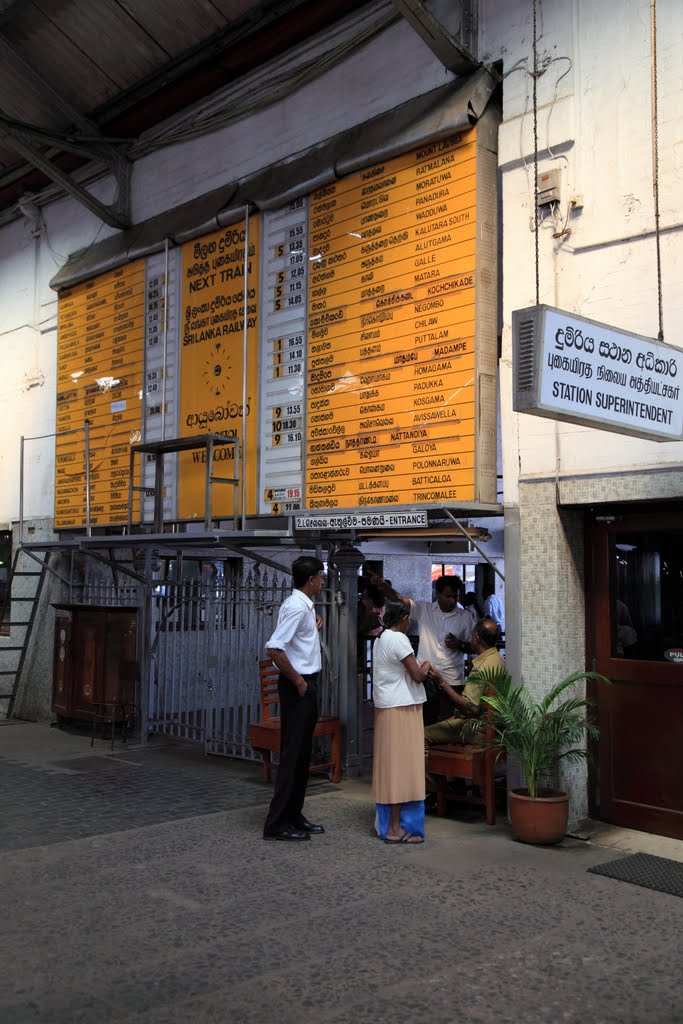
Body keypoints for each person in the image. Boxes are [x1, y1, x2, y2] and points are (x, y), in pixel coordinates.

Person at [262, 555, 326, 842]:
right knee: (292, 755)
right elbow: (275, 648)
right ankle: (276, 823)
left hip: (305, 683)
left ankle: (293, 814)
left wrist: (313, 627)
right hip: (298, 686)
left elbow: (296, 641)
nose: (323, 582)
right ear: (311, 580)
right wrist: (299, 682)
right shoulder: (296, 608)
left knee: (302, 755)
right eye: (321, 577)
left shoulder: (303, 607)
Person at [371, 598, 445, 844]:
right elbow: (416, 675)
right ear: (403, 619)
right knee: (402, 769)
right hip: (401, 708)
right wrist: (425, 668)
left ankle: (388, 825)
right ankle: (395, 828)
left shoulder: (380, 639)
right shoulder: (399, 639)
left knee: (390, 767)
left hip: (388, 707)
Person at [423, 618, 504, 789]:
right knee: (446, 723)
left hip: (476, 730)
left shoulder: (481, 667)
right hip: (495, 728)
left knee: (421, 736)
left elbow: (468, 707)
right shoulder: (498, 659)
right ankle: (453, 784)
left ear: (476, 638)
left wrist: (441, 681)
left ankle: (436, 791)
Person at [406, 575, 474, 690]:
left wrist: (459, 644)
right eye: (448, 596)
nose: (452, 601)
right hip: (426, 677)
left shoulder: (465, 617)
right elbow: (400, 600)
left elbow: (473, 647)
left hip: (452, 680)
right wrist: (383, 586)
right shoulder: (424, 610)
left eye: (455, 596)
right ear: (438, 593)